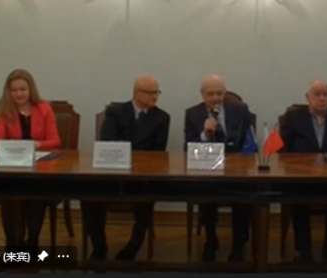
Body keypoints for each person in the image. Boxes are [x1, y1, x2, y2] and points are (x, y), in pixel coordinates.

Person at [80, 75, 171, 261]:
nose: (155, 97)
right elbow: (106, 142)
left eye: (157, 93)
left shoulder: (162, 118)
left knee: (148, 194)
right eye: (150, 93)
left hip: (142, 176)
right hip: (113, 172)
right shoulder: (116, 112)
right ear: (137, 93)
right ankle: (99, 246)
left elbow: (158, 153)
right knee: (88, 194)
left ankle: (134, 246)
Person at [0, 68, 61, 251]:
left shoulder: (43, 108)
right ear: (8, 92)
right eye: (14, 90)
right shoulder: (4, 110)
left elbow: (55, 140)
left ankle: (32, 242)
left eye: (23, 89)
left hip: (39, 168)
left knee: (35, 195)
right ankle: (13, 245)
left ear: (30, 89)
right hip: (13, 168)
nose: (19, 94)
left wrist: (36, 145)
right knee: (9, 195)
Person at [280, 79, 327, 262]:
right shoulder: (293, 118)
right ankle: (304, 249)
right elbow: (283, 150)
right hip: (301, 177)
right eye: (317, 94)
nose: (322, 98)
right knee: (296, 195)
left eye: (325, 94)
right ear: (308, 97)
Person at [183, 74, 253, 263]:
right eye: (210, 94)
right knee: (206, 192)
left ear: (225, 93)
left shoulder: (240, 111)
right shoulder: (193, 114)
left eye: (219, 93)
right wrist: (205, 135)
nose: (215, 98)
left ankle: (239, 244)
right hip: (208, 169)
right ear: (202, 94)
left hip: (236, 170)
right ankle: (211, 240)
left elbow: (248, 142)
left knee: (245, 194)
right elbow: (187, 148)